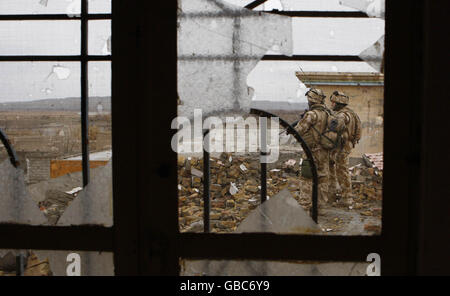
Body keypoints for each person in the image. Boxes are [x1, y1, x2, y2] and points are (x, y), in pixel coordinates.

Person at [295, 88, 332, 204]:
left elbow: (298, 131)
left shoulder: (311, 114)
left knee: (306, 178)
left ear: (311, 101)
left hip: (311, 151)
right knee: (323, 178)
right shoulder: (328, 113)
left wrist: (300, 121)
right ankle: (321, 206)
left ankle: (305, 205)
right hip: (325, 151)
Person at [328, 91, 362, 205]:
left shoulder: (342, 115)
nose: (331, 105)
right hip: (345, 146)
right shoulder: (351, 113)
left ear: (339, 103)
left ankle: (347, 198)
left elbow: (335, 127)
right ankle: (335, 195)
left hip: (341, 147)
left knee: (342, 171)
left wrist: (329, 120)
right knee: (340, 170)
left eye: (333, 103)